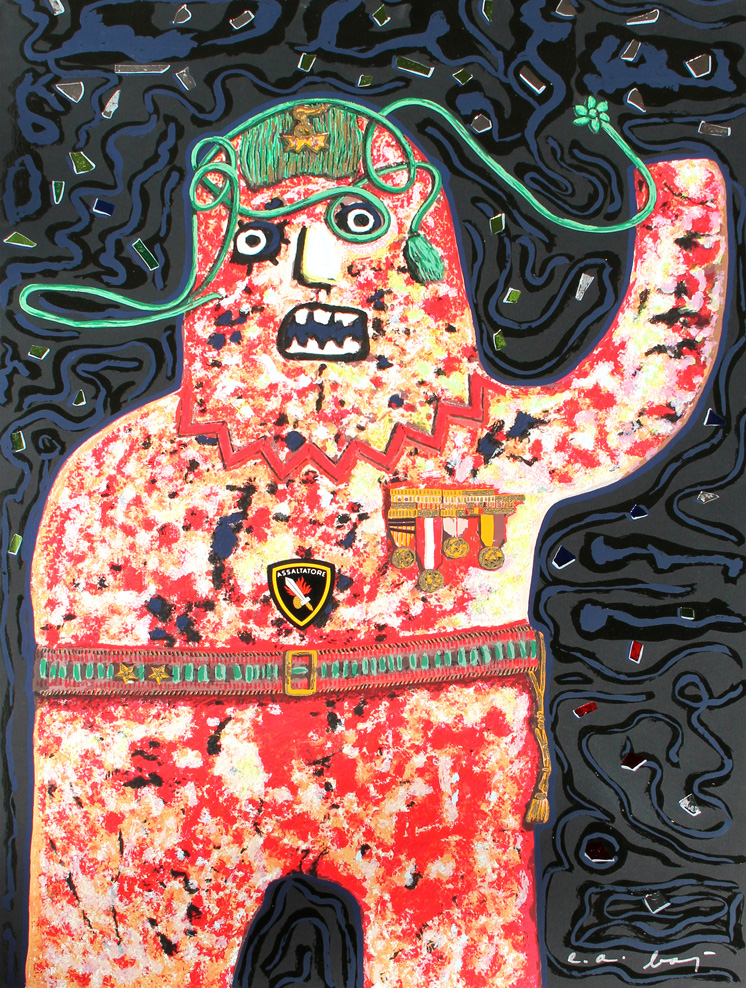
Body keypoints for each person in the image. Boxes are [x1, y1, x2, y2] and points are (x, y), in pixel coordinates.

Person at [24, 99, 727, 988]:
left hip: (433, 766)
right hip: (178, 771)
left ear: (423, 254)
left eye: (357, 225)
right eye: (259, 240)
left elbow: (636, 396)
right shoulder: (117, 480)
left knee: (460, 963)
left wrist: (682, 208)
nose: (313, 270)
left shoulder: (481, 446)